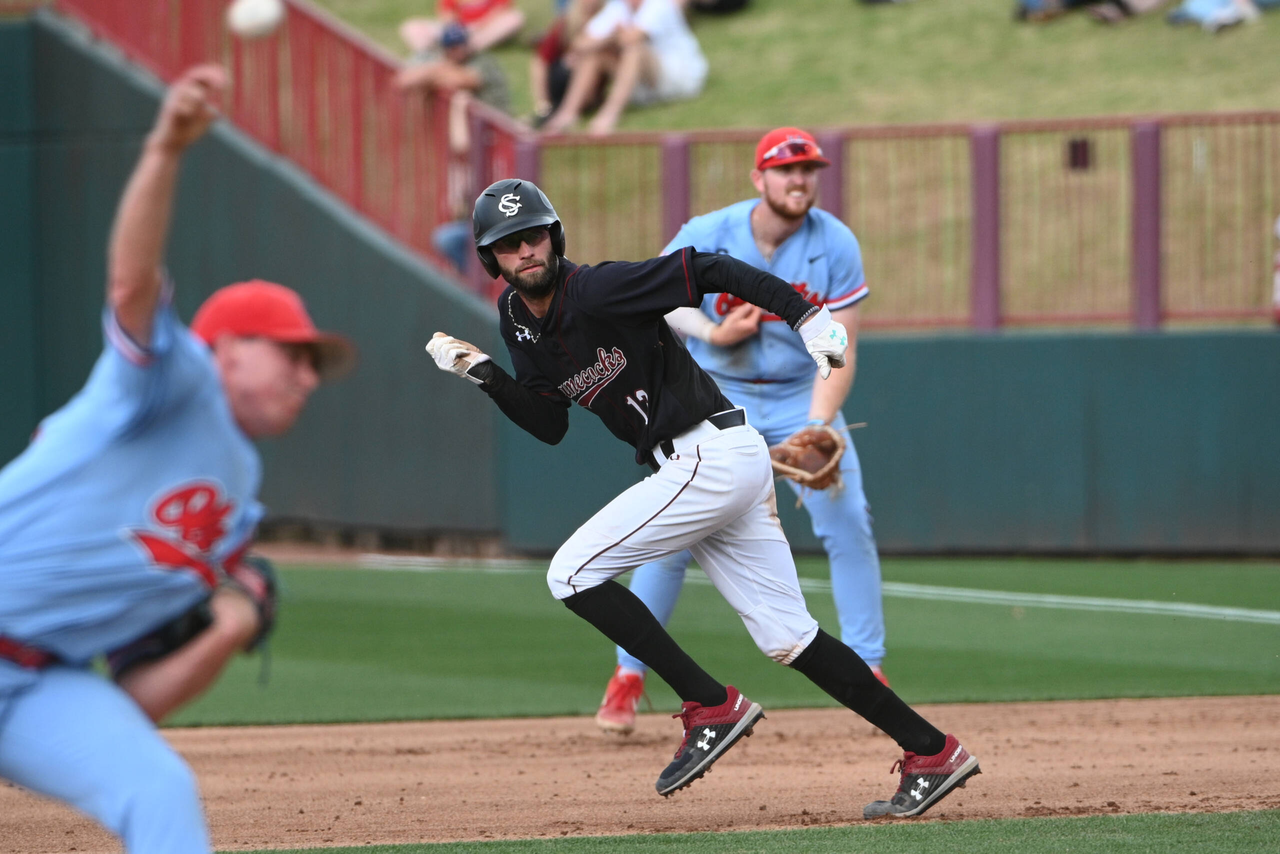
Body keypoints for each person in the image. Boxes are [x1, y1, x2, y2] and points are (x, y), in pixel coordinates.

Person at [426, 177, 980, 817]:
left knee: (571, 571)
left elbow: (708, 268)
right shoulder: (517, 321)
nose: (526, 250)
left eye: (534, 235)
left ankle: (707, 703)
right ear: (491, 259)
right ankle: (931, 749)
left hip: (706, 455)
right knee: (787, 637)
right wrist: (486, 375)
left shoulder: (597, 287)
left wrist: (806, 316)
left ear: (554, 237)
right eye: (508, 244)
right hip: (711, 464)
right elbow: (549, 423)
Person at [0, 65, 355, 854]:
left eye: (313, 366)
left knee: (155, 786)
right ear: (225, 348)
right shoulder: (170, 380)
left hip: (32, 687)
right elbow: (130, 281)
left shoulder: (242, 497)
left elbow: (135, 699)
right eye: (292, 354)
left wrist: (227, 629)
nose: (306, 377)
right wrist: (164, 148)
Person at [594, 126, 891, 735]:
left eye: (809, 169)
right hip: (712, 399)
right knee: (670, 538)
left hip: (796, 396)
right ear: (759, 178)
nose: (800, 180)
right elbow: (659, 299)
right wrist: (712, 333)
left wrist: (816, 425)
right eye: (786, 170)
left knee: (848, 519)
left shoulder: (834, 242)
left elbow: (841, 346)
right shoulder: (711, 232)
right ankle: (628, 675)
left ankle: (870, 666)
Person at [541, 0, 708, 136]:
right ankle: (568, 113)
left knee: (633, 48)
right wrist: (611, 37)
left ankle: (609, 115)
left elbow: (632, 37)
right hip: (644, 83)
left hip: (679, 79)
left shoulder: (659, 5)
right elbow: (580, 44)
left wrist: (608, 37)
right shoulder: (617, 7)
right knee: (596, 54)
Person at [399, 0, 526, 54]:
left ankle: (466, 51)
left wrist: (478, 27)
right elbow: (447, 14)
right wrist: (455, 31)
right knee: (411, 27)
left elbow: (502, 10)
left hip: (483, 31)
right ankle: (429, 55)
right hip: (457, 28)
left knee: (515, 19)